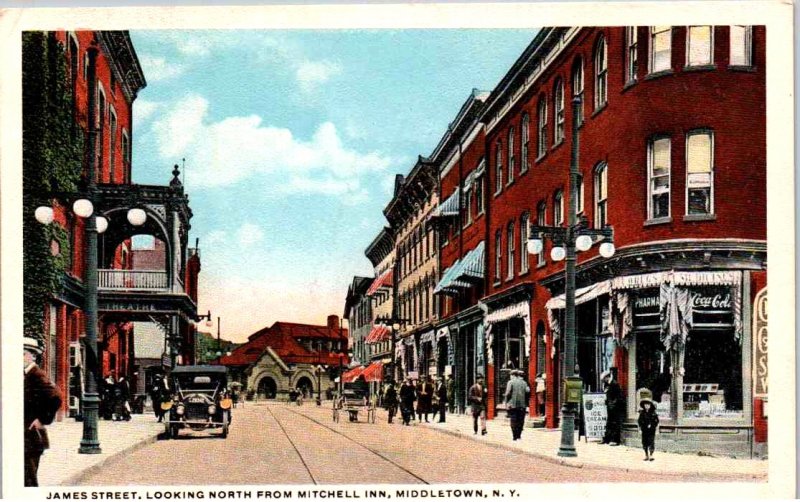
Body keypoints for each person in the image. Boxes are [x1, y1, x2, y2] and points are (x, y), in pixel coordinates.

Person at [24, 337, 62, 487]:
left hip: (31, 437)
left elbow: (56, 397)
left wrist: (42, 419)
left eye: (23, 353)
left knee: (28, 480)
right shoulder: (26, 374)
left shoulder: (36, 374)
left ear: (33, 356)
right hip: (26, 437)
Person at [505, 369, 530, 441]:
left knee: (513, 420)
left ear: (513, 375)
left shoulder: (510, 382)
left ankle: (514, 436)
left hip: (513, 405)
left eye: (510, 375)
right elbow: (527, 392)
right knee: (521, 420)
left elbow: (508, 393)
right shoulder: (524, 383)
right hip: (522, 405)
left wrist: (506, 402)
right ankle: (519, 435)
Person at [601, 369, 624, 445]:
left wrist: (613, 404)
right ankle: (607, 439)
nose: (604, 381)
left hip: (615, 407)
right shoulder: (607, 385)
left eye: (604, 379)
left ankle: (614, 440)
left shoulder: (614, 384)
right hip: (610, 406)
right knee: (609, 422)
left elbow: (619, 396)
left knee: (614, 423)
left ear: (607, 377)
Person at [638, 395, 659, 461]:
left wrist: (655, 428)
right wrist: (640, 429)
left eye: (648, 404)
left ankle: (651, 454)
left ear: (650, 405)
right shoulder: (642, 413)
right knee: (644, 442)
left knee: (651, 442)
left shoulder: (653, 413)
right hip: (644, 431)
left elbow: (657, 421)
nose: (646, 406)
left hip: (651, 431)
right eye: (645, 404)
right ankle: (646, 455)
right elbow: (639, 422)